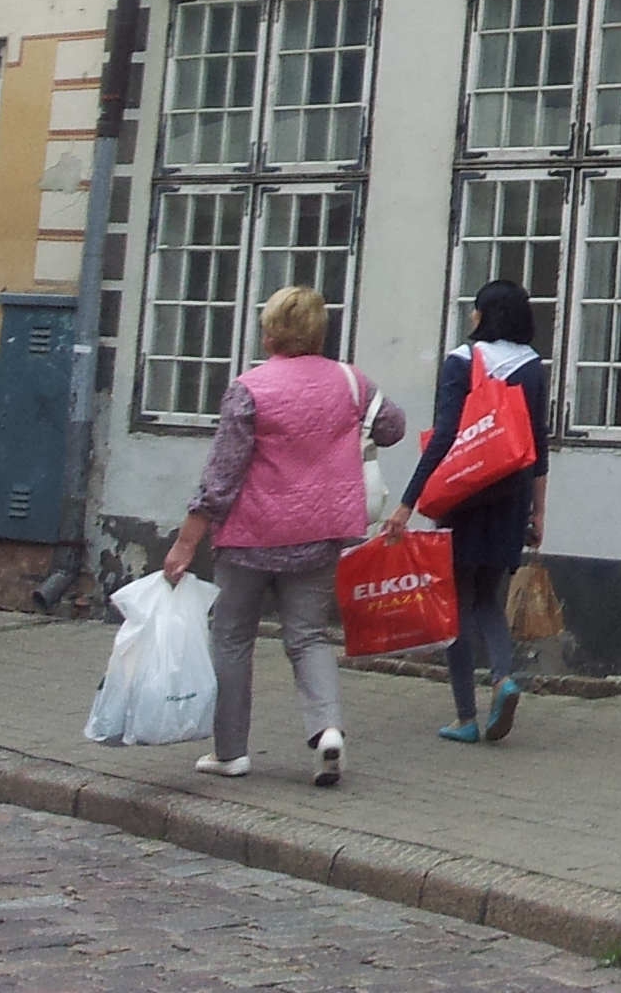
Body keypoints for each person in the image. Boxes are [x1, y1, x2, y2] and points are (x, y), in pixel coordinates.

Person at [162, 286, 407, 787]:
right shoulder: (351, 382)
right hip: (320, 532)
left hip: (249, 536)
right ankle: (327, 730)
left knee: (232, 638)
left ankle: (231, 752)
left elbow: (222, 475)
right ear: (319, 333)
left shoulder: (249, 389)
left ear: (270, 333)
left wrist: (187, 541)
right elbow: (393, 427)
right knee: (308, 636)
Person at [381, 277, 551, 745]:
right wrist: (538, 511)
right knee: (487, 599)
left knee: (455, 602)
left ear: (484, 315)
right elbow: (538, 444)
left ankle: (465, 717)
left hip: (464, 492)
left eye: (476, 308)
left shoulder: (462, 360)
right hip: (512, 494)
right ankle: (503, 678)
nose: (472, 315)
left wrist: (407, 502)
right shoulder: (533, 367)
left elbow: (444, 436)